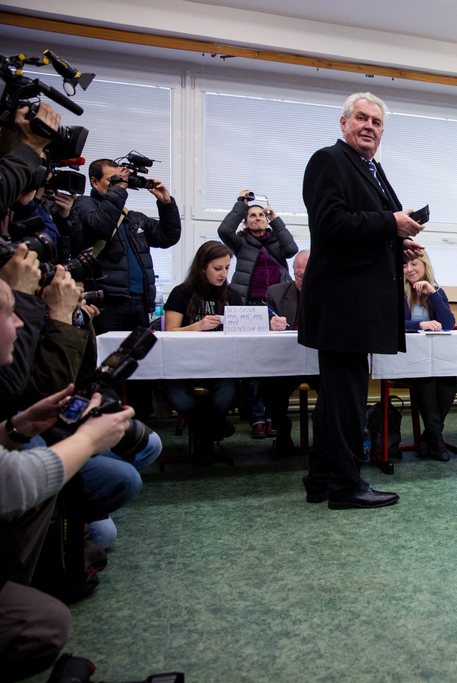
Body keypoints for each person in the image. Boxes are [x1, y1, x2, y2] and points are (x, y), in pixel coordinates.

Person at [0, 279, 134, 680]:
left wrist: (16, 427)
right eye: (10, 313)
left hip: (33, 435)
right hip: (39, 464)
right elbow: (13, 480)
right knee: (46, 623)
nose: (23, 324)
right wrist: (89, 440)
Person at [300, 91, 424, 509]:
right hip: (341, 305)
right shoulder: (328, 161)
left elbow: (367, 229)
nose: (369, 126)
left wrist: (397, 243)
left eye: (377, 121)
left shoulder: (373, 169)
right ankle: (346, 486)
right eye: (361, 118)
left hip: (358, 305)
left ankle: (320, 480)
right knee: (347, 400)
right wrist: (391, 222)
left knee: (339, 398)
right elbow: (330, 224)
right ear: (344, 123)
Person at [217, 190, 298, 439]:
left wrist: (277, 220)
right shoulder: (241, 243)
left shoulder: (277, 243)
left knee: (275, 364)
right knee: (254, 365)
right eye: (251, 215)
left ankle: (275, 416)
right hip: (249, 306)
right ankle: (258, 418)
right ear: (246, 221)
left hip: (277, 306)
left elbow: (292, 248)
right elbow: (224, 231)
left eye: (260, 214)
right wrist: (241, 204)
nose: (256, 218)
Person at [72, 158, 181, 334]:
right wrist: (119, 188)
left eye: (121, 181)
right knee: (105, 356)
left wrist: (166, 204)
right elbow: (100, 226)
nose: (119, 185)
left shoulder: (133, 217)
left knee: (139, 357)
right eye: (112, 180)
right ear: (94, 181)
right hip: (105, 303)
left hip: (139, 303)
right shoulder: (84, 205)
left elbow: (167, 237)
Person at [162, 241, 241, 459]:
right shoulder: (181, 293)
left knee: (229, 392)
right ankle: (214, 429)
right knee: (179, 398)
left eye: (227, 268)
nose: (223, 274)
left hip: (219, 366)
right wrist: (197, 327)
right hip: (183, 365)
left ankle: (205, 432)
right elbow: (169, 332)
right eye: (218, 268)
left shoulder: (232, 296)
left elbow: (243, 332)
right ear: (202, 267)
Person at [401, 250, 456, 461]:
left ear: (425, 265)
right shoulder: (397, 291)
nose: (409, 269)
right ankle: (437, 442)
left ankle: (429, 437)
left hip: (436, 358)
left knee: (450, 378)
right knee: (425, 377)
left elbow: (448, 324)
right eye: (405, 265)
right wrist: (419, 324)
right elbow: (391, 324)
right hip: (407, 360)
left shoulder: (437, 292)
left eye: (414, 264)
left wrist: (432, 294)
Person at [263, 249, 312, 455]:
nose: (303, 280)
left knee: (337, 383)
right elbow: (260, 320)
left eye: (308, 275)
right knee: (269, 382)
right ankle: (282, 429)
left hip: (317, 362)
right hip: (285, 362)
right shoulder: (276, 293)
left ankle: (326, 434)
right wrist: (269, 323)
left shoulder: (330, 294)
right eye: (299, 275)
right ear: (293, 273)